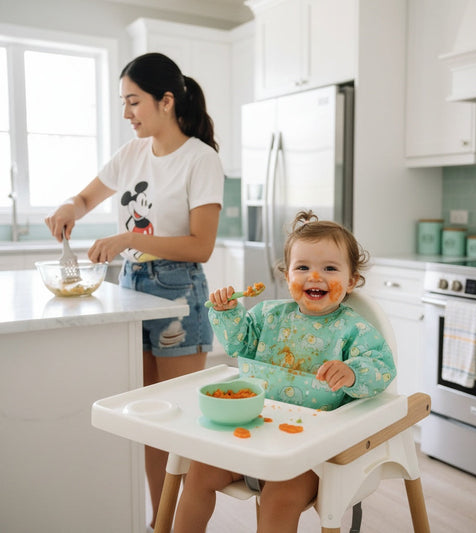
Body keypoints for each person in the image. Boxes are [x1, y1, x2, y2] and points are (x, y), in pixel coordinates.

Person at [44, 52, 224, 531]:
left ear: (166, 101)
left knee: (182, 425)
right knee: (148, 423)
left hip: (177, 291)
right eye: (124, 103)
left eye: (133, 102)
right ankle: (159, 522)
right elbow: (86, 198)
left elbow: (201, 246)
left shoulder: (200, 160)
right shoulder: (131, 153)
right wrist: (68, 206)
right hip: (132, 287)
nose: (127, 114)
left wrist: (129, 239)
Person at [173, 210, 397, 533]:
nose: (314, 276)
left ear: (351, 280)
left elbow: (382, 367)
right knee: (198, 474)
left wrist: (351, 372)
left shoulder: (353, 330)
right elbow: (240, 344)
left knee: (279, 498)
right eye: (302, 267)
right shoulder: (269, 315)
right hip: (252, 432)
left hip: (310, 453)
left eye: (329, 268)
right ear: (286, 274)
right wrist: (227, 313)